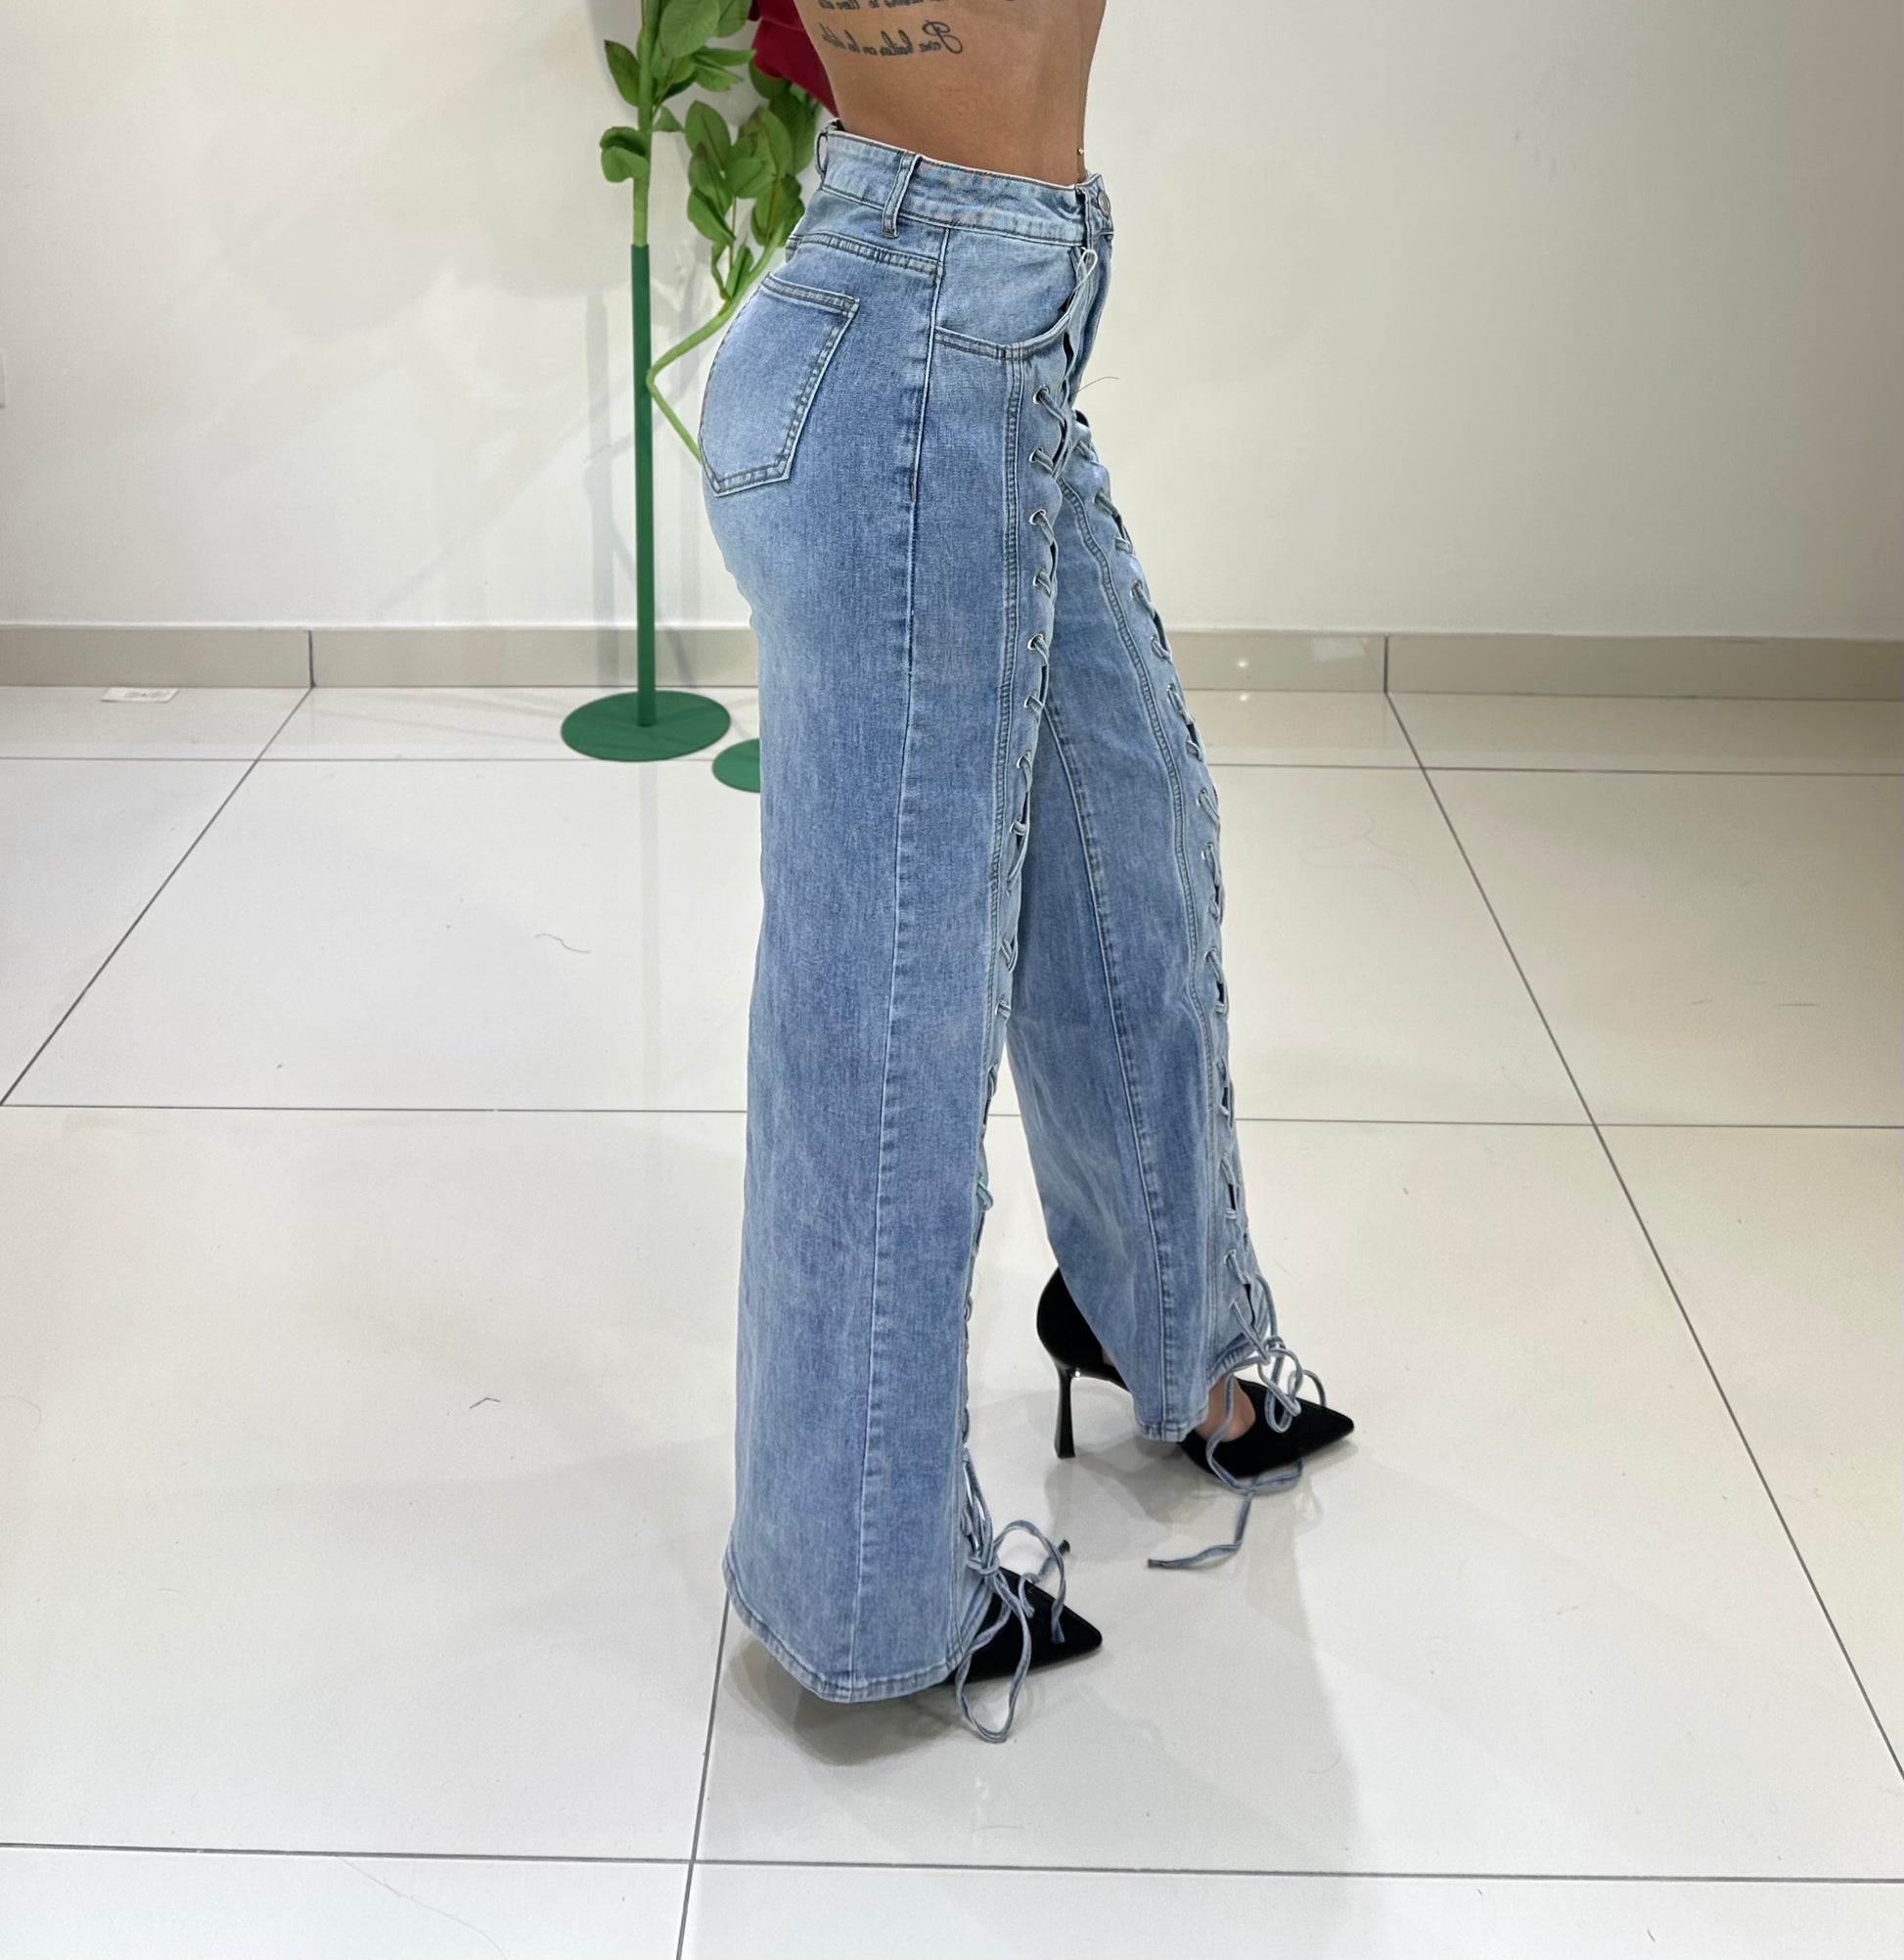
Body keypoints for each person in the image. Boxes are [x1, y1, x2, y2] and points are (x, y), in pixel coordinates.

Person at [702, 0, 1354, 1740]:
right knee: (888, 1019)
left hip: (984, 330)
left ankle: (1166, 1327)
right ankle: (860, 1594)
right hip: (916, 339)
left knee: (1128, 841)